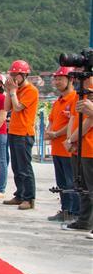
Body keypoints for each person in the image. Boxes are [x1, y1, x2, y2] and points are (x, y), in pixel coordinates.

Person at [2, 60, 39, 210]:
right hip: (14, 131)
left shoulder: (31, 90)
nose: (12, 78)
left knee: (25, 167)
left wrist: (12, 91)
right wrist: (8, 91)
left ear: (24, 75)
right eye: (11, 75)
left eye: (15, 75)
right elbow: (6, 107)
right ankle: (20, 194)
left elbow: (17, 108)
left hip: (24, 133)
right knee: (16, 166)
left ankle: (29, 198)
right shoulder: (15, 90)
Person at [46, 66, 79, 222]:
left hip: (67, 148)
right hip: (56, 148)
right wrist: (48, 132)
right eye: (56, 79)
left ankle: (74, 212)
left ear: (70, 79)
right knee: (61, 183)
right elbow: (51, 120)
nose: (57, 82)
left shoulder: (74, 98)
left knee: (71, 181)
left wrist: (56, 134)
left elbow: (73, 121)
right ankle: (65, 210)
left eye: (60, 79)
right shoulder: (58, 101)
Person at [64, 75, 93, 234]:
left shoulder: (90, 93)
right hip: (78, 145)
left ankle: (88, 221)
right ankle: (84, 220)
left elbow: (89, 121)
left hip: (88, 146)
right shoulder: (79, 94)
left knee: (90, 188)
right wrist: (71, 139)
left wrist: (72, 139)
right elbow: (73, 117)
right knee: (81, 186)